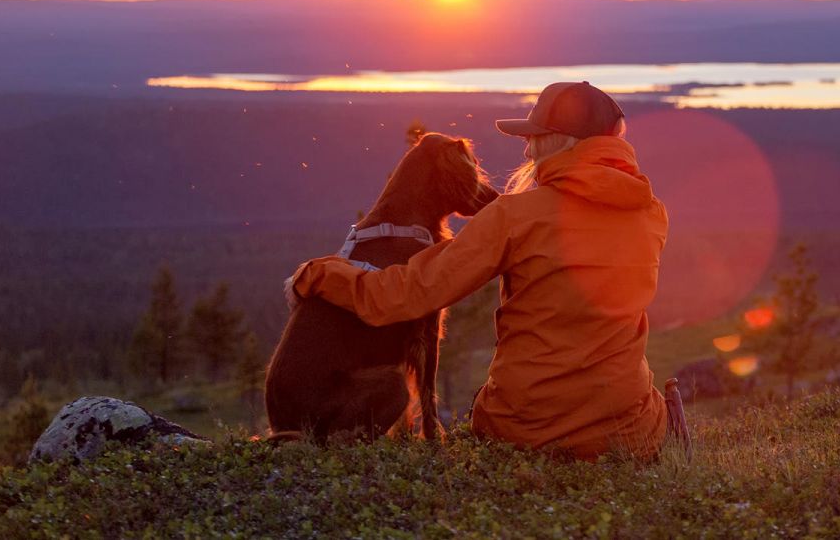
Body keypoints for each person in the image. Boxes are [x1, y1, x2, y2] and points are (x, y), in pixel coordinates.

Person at [287, 81, 673, 460]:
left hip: (524, 429)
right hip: (628, 433)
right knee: (643, 389)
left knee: (497, 404)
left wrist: (319, 275)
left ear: (557, 141)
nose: (527, 147)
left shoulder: (514, 216)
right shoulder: (652, 214)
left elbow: (402, 296)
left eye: (534, 137)